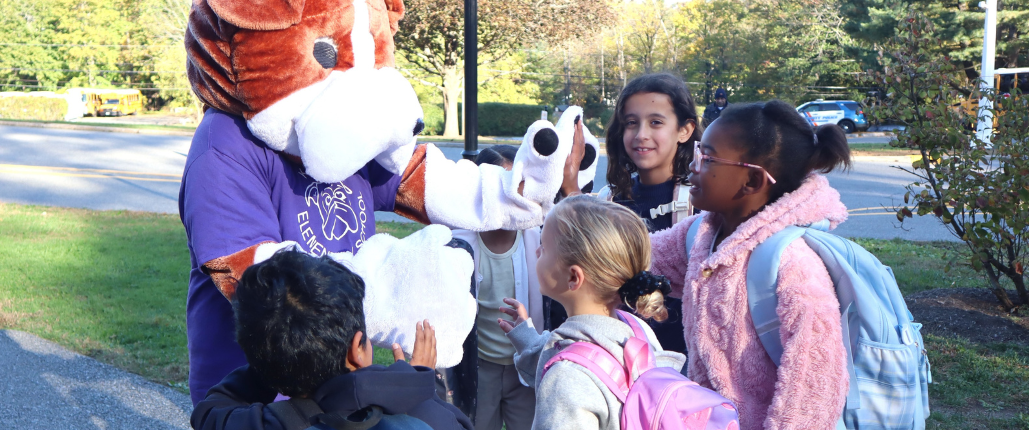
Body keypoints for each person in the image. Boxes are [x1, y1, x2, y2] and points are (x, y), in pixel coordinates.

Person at [649, 100, 851, 429]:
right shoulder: (701, 234)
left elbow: (814, 392)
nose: (692, 166)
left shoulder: (793, 265)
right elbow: (637, 257)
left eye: (707, 158)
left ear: (753, 181)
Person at [191, 249, 473, 430]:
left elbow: (210, 411)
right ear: (357, 351)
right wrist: (419, 386)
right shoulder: (426, 418)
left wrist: (274, 360)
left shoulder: (263, 423)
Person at [498, 195, 684, 430]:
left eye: (544, 247)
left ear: (573, 277)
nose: (536, 252)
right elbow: (584, 359)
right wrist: (528, 340)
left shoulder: (565, 379)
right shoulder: (636, 329)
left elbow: (574, 372)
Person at [586, 72, 700, 356]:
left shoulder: (701, 203)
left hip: (684, 365)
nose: (641, 135)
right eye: (631, 123)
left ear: (685, 130)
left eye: (656, 122)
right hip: (619, 359)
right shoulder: (609, 201)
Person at [448, 145, 541, 430]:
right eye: (501, 187)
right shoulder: (458, 242)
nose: (510, 197)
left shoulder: (537, 239)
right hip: (480, 368)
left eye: (517, 188)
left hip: (526, 366)